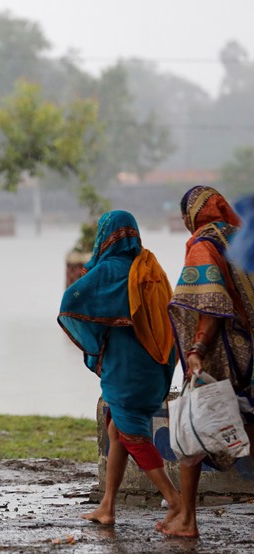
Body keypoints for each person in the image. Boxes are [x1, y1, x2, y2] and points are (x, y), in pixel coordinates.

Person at [58, 210, 181, 527]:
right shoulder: (149, 266)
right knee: (117, 430)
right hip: (153, 364)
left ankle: (176, 501)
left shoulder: (110, 270)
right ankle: (108, 507)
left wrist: (97, 334)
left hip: (126, 367)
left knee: (133, 435)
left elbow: (71, 302)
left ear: (105, 236)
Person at [162, 186, 254, 538]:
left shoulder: (203, 246)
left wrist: (197, 350)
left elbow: (209, 307)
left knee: (193, 430)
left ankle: (187, 519)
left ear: (191, 216)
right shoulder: (243, 237)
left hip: (228, 351)